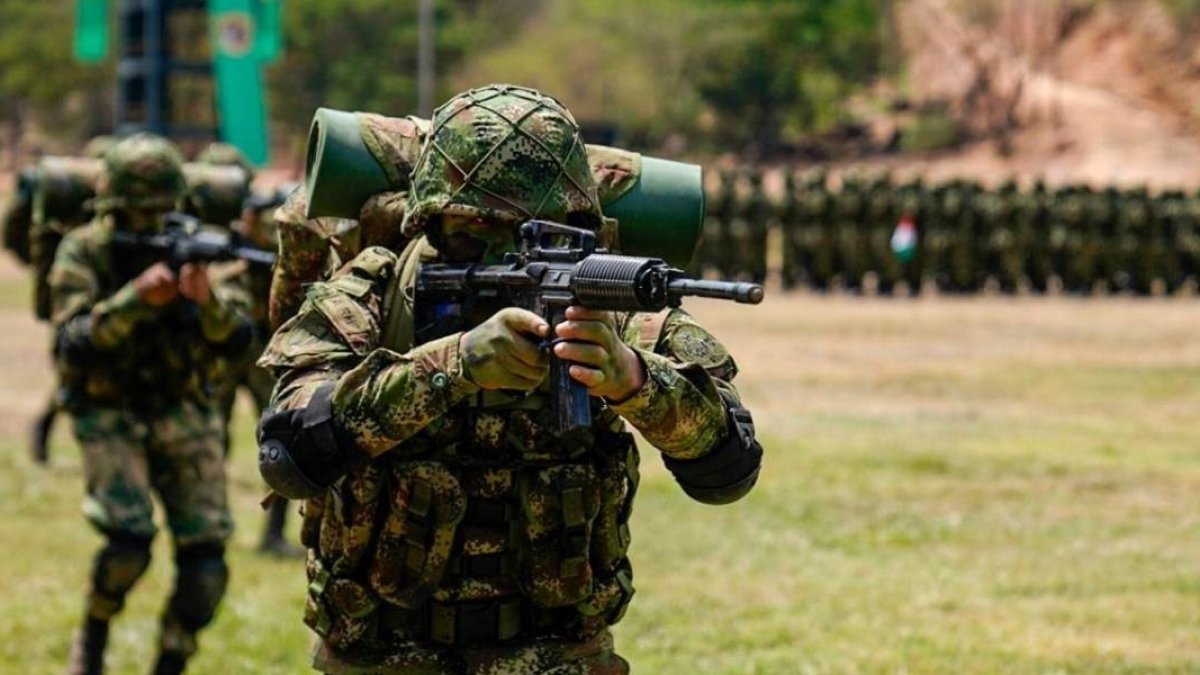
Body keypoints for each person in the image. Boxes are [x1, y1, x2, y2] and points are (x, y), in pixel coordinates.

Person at [256, 84, 763, 674]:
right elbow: (287, 453)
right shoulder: (372, 293)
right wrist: (453, 365)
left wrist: (634, 381)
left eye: (540, 235)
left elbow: (729, 469)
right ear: (429, 221)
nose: (506, 258)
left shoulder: (613, 308)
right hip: (381, 654)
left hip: (559, 655)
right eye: (475, 234)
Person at [50, 133, 252, 675]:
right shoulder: (83, 249)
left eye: (158, 213)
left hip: (182, 406)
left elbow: (237, 338)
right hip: (108, 408)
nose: (146, 225)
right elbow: (71, 338)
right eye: (134, 214)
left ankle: (170, 661)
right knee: (127, 545)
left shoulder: (202, 250)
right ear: (109, 207)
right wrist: (134, 300)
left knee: (207, 564)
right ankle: (92, 638)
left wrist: (204, 302)